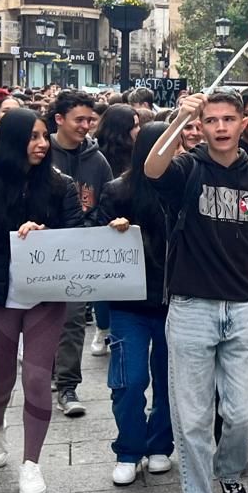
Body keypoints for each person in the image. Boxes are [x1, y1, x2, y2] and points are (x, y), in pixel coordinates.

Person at [144, 91, 248, 493]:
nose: (221, 127)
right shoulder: (188, 169)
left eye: (229, 119)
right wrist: (176, 121)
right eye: (211, 120)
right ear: (202, 126)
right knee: (191, 418)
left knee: (245, 413)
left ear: (244, 122)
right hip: (190, 308)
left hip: (245, 308)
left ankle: (229, 470)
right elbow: (153, 169)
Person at [0, 109, 82, 493]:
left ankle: (32, 463)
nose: (42, 144)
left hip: (46, 299)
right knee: (0, 383)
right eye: (33, 137)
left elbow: (76, 236)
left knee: (37, 379)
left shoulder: (61, 187)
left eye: (45, 136)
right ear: (11, 142)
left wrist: (47, 235)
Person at [94, 123, 175, 484]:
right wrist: (112, 228)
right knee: (129, 379)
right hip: (129, 302)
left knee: (169, 379)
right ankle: (128, 448)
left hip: (175, 300)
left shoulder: (183, 188)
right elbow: (94, 238)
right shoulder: (117, 190)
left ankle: (160, 444)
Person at [47, 89, 111, 418]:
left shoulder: (97, 160)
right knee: (41, 320)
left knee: (73, 318)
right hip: (43, 251)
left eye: (90, 119)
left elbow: (107, 199)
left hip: (81, 250)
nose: (86, 125)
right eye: (79, 119)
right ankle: (45, 374)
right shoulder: (42, 153)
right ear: (59, 119)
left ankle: (68, 384)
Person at [87, 103, 140, 356]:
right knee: (104, 281)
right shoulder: (99, 157)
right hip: (106, 223)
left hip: (133, 224)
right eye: (135, 125)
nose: (139, 130)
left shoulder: (138, 154)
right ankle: (102, 328)